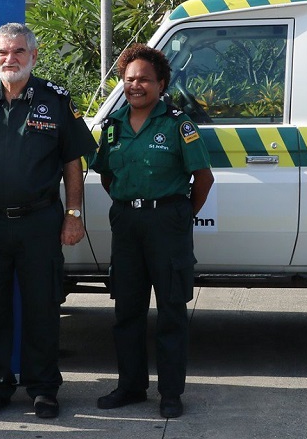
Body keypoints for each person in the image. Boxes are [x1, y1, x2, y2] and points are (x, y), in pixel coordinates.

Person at [0, 22, 95, 420]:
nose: (10, 60)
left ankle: (43, 388)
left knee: (42, 307)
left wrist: (74, 215)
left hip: (40, 221)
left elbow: (72, 162)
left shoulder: (55, 100)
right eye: (2, 53)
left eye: (18, 52)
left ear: (33, 56)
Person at [90, 44, 214, 419]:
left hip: (167, 224)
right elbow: (107, 175)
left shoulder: (179, 124)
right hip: (127, 223)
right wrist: (132, 203)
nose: (135, 85)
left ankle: (171, 393)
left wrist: (176, 215)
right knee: (127, 310)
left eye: (144, 79)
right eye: (129, 79)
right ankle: (131, 387)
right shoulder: (112, 128)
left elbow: (203, 179)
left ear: (161, 83)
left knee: (172, 311)